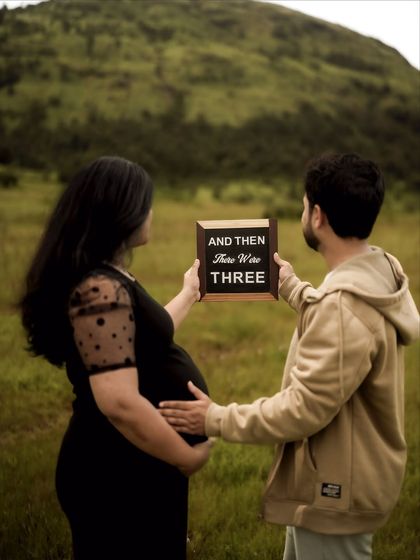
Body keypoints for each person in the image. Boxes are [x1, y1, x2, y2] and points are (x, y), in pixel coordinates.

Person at [159, 152, 419, 560]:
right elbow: (347, 323)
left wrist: (215, 418)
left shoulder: (343, 308)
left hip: (336, 493)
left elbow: (302, 410)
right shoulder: (378, 271)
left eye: (303, 205)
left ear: (317, 216)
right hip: (329, 483)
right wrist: (294, 288)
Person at [19, 155, 212, 560]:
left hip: (133, 461)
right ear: (121, 212)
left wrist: (189, 293)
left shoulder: (105, 277)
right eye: (145, 203)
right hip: (116, 471)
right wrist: (187, 456)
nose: (151, 213)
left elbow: (140, 341)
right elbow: (119, 402)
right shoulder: (99, 288)